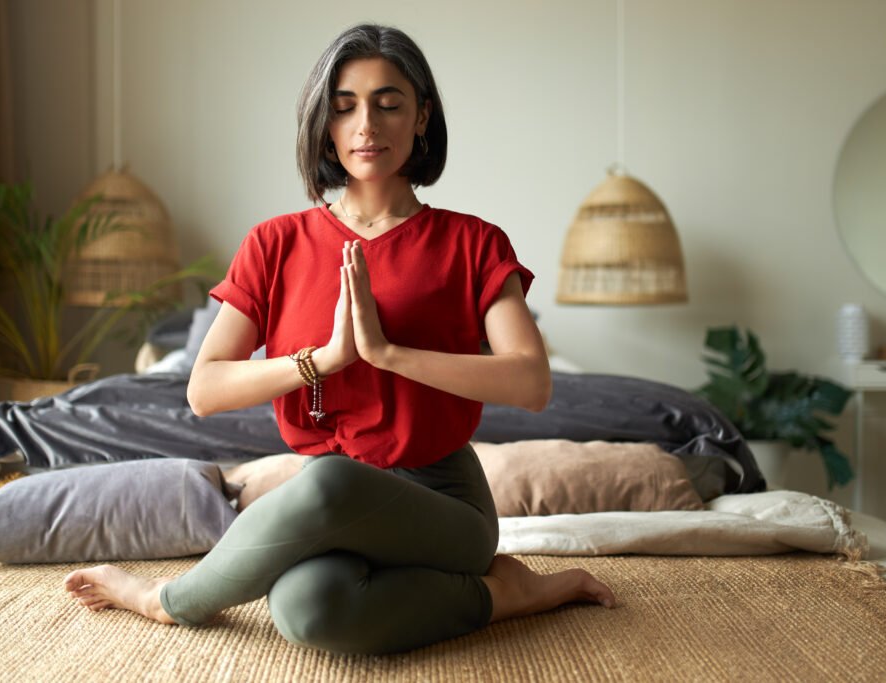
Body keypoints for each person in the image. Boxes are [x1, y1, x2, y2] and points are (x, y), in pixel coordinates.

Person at [64, 22, 615, 655]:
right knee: (307, 610)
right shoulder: (275, 243)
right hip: (331, 494)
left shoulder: (473, 242)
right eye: (345, 106)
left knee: (326, 484)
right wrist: (322, 362)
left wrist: (388, 354)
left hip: (444, 505)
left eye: (389, 104)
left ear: (421, 118)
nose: (366, 126)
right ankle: (506, 595)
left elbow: (532, 381)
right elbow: (204, 389)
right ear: (323, 123)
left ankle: (164, 600)